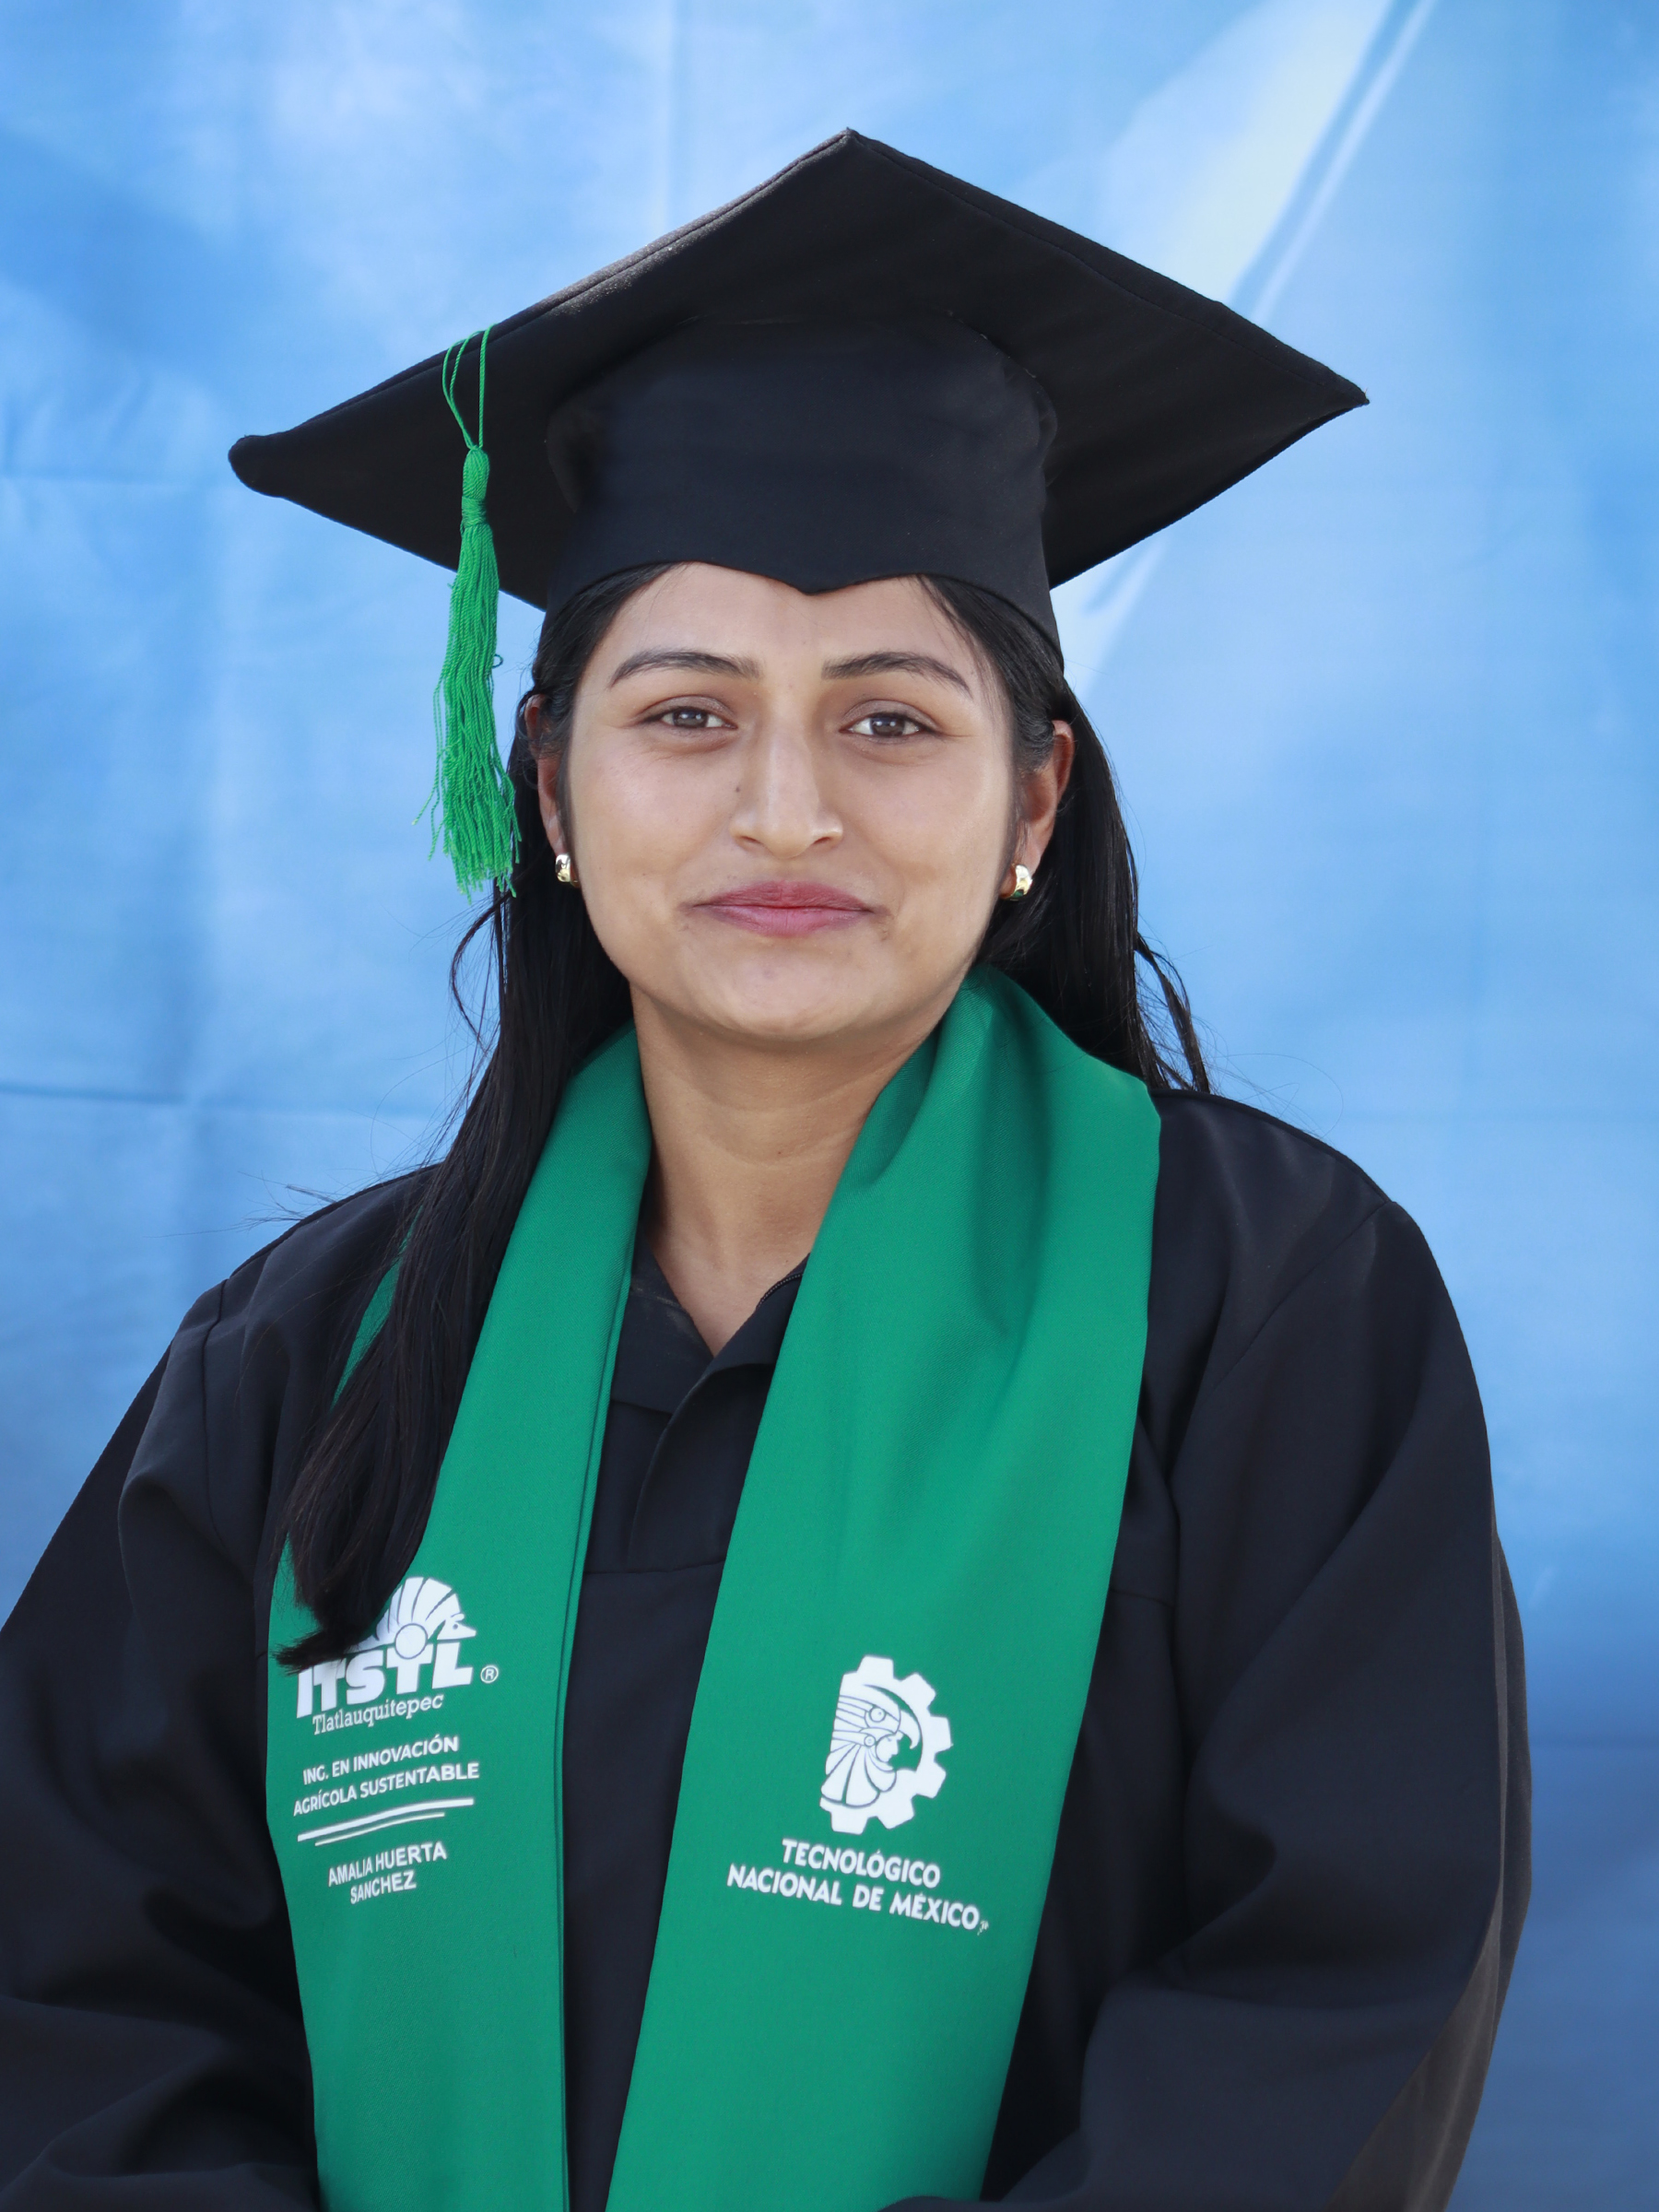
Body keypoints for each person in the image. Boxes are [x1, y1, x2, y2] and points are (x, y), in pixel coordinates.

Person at [0, 132, 1527, 2212]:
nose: (787, 810)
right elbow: (81, 1992)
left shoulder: (1263, 1304)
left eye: (891, 722)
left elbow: (1334, 1991)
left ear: (1035, 797)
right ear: (552, 787)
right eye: (687, 714)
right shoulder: (306, 1358)